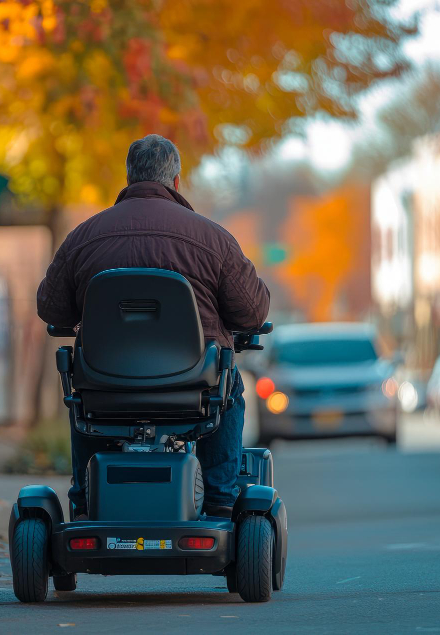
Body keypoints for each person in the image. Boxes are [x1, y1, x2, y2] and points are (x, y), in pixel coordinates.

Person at [36, 134, 271, 519]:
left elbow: (51, 309)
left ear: (129, 179)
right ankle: (219, 498)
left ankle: (83, 501)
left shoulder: (83, 237)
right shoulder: (212, 238)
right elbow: (252, 313)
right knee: (230, 390)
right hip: (192, 389)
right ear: (176, 182)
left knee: (80, 392)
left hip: (106, 388)